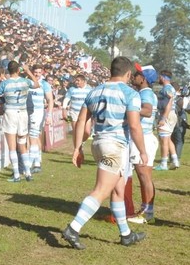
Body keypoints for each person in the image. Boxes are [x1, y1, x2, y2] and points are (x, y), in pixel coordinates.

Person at [62, 56, 147, 250]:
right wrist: (142, 151)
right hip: (114, 146)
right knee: (101, 190)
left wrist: (77, 147)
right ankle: (73, 229)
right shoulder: (130, 94)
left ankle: (126, 234)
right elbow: (134, 126)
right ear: (128, 74)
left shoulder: (94, 91)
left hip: (99, 143)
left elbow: (81, 122)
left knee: (118, 190)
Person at [0, 61, 39, 182]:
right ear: (18, 70)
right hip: (23, 113)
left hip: (10, 113)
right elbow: (36, 84)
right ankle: (28, 172)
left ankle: (16, 175)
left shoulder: (5, 83)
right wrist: (28, 71)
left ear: (8, 71)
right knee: (22, 143)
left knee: (12, 146)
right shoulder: (25, 81)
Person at [127, 65, 158, 224]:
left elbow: (147, 110)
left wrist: (130, 108)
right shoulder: (145, 92)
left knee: (144, 176)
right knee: (145, 177)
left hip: (143, 138)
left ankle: (146, 212)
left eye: (137, 74)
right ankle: (148, 211)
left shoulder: (145, 93)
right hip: (146, 137)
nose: (134, 76)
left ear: (143, 79)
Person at [27, 64, 54, 173]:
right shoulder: (27, 82)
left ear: (42, 72)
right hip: (26, 112)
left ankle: (28, 165)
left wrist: (49, 115)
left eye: (39, 72)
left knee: (33, 137)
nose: (37, 74)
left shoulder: (44, 84)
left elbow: (50, 100)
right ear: (32, 71)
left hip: (38, 113)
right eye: (35, 72)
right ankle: (37, 163)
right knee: (33, 137)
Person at [154, 70, 180, 170]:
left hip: (167, 115)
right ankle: (175, 161)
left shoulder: (167, 89)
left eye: (160, 77)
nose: (159, 78)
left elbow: (169, 102)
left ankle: (163, 164)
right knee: (168, 139)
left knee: (163, 140)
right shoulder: (170, 88)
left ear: (163, 78)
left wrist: (163, 118)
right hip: (172, 114)